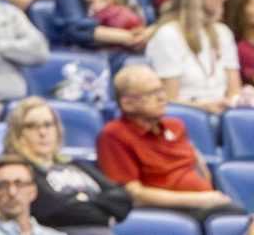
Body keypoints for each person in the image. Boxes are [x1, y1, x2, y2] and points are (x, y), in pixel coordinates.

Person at [96, 63, 242, 216]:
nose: (162, 98)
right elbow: (134, 194)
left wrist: (208, 192)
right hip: (168, 211)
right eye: (151, 93)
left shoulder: (175, 126)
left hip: (205, 204)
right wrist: (200, 199)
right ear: (128, 103)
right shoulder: (113, 135)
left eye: (161, 90)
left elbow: (198, 168)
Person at [0, 99, 132, 235]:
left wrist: (84, 199)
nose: (43, 133)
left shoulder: (77, 165)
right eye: (32, 126)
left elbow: (122, 200)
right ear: (17, 133)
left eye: (48, 125)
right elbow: (53, 209)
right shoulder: (20, 172)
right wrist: (104, 211)